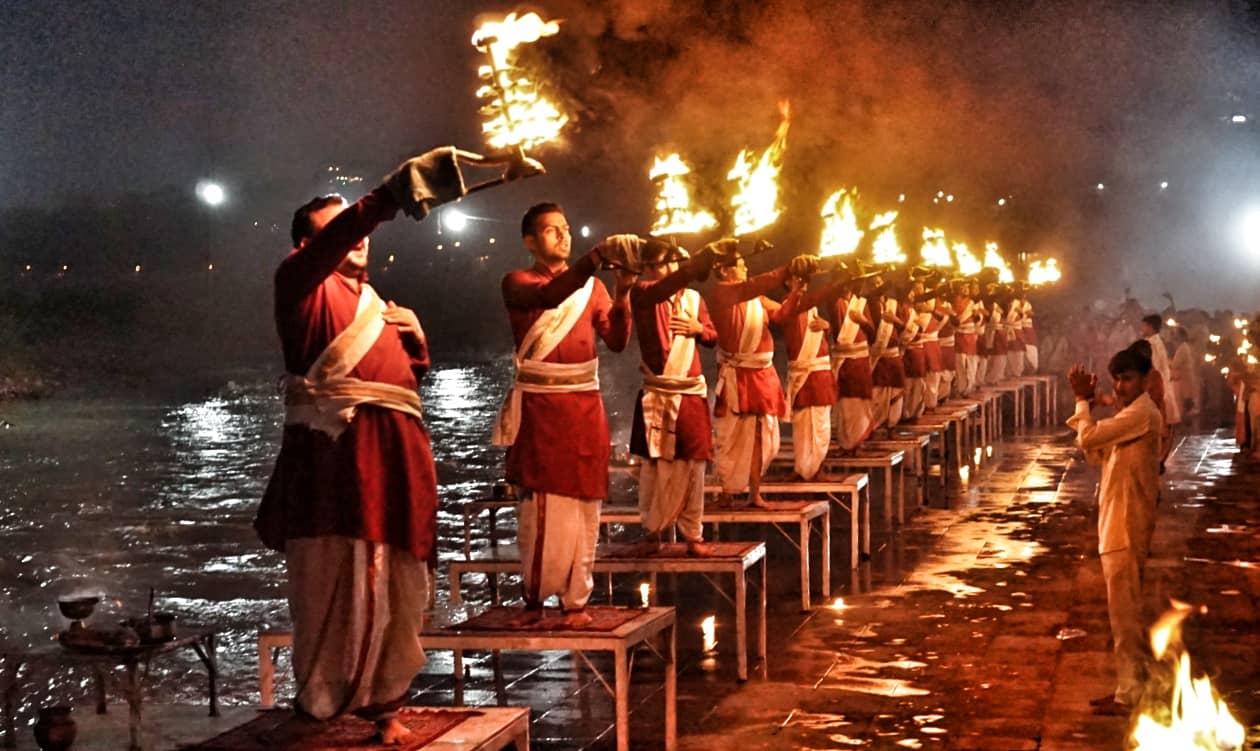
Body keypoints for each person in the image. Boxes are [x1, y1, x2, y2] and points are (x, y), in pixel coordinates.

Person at [257, 147, 532, 742]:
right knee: (328, 578)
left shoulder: (383, 307)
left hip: (397, 457)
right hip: (334, 458)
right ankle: (320, 702)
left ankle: (386, 703)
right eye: (339, 229)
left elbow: (406, 382)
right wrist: (386, 198)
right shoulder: (298, 283)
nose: (355, 237)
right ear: (309, 245)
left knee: (402, 584)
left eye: (356, 228)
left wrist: (420, 342)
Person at [492, 204, 636, 627]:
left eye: (566, 229)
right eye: (552, 231)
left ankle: (577, 601)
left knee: (586, 505)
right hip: (541, 408)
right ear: (530, 242)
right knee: (543, 505)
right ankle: (535, 600)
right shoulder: (517, 282)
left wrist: (624, 291)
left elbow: (617, 342)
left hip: (585, 405)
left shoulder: (592, 289)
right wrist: (594, 259)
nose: (562, 236)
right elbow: (548, 296)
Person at [1066, 347, 1162, 715]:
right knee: (1123, 613)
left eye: (1128, 379)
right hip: (1116, 523)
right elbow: (1097, 450)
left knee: (1124, 616)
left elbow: (1089, 439)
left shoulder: (1142, 413)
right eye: (1117, 379)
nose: (1120, 387)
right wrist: (1090, 405)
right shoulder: (1131, 414)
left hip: (1126, 526)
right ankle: (1133, 684)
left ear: (1146, 380)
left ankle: (1129, 692)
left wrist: (1082, 402)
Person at [629, 240, 724, 554]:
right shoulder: (642, 294)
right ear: (645, 270)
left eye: (670, 265)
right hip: (658, 391)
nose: (665, 272)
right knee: (652, 468)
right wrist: (694, 267)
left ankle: (692, 535)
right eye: (658, 266)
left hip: (690, 393)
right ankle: (652, 531)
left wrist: (698, 328)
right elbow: (664, 287)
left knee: (694, 465)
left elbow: (713, 337)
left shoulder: (694, 298)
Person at [709, 251, 815, 506]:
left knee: (761, 436)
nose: (746, 267)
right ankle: (727, 492)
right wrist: (787, 269)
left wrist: (798, 290)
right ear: (723, 270)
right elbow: (752, 286)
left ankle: (755, 493)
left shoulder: (756, 298)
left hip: (761, 375)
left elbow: (781, 315)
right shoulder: (723, 293)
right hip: (737, 373)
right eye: (740, 264)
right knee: (731, 437)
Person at [778, 268, 838, 478]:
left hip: (819, 371)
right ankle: (802, 468)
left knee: (821, 424)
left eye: (804, 280)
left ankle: (817, 466)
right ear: (787, 283)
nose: (803, 283)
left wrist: (827, 326)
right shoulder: (788, 306)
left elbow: (821, 332)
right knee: (802, 426)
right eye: (797, 279)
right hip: (803, 371)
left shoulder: (811, 306)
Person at [830, 276, 876, 454]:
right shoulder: (836, 303)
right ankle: (846, 443)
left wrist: (862, 321)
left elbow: (872, 332)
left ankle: (859, 442)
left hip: (860, 359)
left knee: (860, 401)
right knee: (845, 403)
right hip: (844, 360)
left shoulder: (861, 304)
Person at [869, 279, 908, 436]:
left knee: (896, 391)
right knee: (878, 393)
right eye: (874, 282)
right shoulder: (870, 303)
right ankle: (875, 426)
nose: (877, 285)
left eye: (880, 282)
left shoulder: (892, 304)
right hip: (879, 355)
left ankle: (892, 425)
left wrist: (895, 320)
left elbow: (903, 326)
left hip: (894, 354)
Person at [1140, 314, 1182, 427]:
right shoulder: (1156, 342)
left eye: (1143, 326)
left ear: (1150, 327)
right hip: (1161, 382)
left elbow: (1154, 365)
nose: (1141, 329)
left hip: (1156, 384)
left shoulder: (1151, 343)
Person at [1168, 326, 1200, 419]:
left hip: (1185, 380)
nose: (1174, 338)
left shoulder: (1183, 348)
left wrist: (1166, 361)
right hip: (1185, 379)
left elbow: (1175, 364)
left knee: (1185, 405)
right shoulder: (1184, 347)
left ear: (1181, 336)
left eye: (1176, 335)